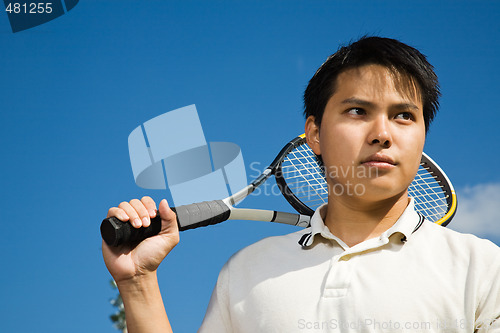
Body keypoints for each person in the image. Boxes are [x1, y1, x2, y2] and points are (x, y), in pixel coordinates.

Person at [102, 36, 500, 332]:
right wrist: (137, 284)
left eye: (404, 116)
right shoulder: (244, 273)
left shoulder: (483, 269)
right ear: (315, 134)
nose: (382, 133)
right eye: (358, 111)